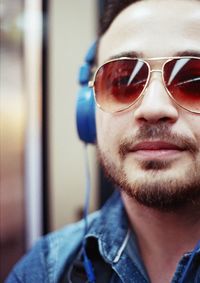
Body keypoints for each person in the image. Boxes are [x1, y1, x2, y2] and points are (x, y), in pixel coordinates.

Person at [6, 0, 200, 282]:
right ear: (88, 109)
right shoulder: (43, 270)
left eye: (193, 80)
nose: (153, 108)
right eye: (122, 81)